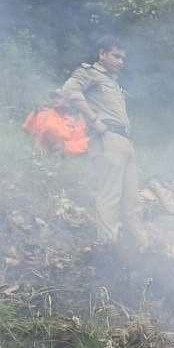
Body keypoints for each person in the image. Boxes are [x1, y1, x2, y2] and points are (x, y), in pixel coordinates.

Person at [61, 35, 146, 250]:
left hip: (124, 141)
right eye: (116, 56)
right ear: (102, 54)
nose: (121, 61)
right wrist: (94, 120)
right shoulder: (90, 73)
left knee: (132, 200)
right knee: (110, 194)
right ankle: (108, 248)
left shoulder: (113, 82)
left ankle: (141, 247)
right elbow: (69, 91)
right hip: (107, 138)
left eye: (123, 58)